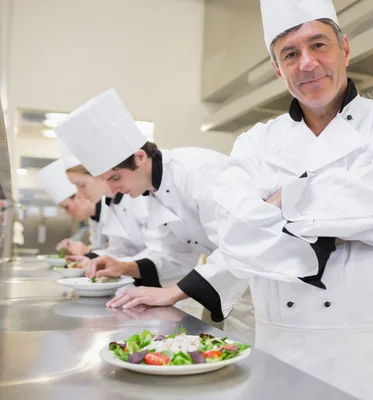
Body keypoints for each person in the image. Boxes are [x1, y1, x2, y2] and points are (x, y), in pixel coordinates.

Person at [106, 0, 373, 398]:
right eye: (291, 54)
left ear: (345, 48)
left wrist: (282, 202)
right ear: (277, 69)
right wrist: (349, 219)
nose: (308, 63)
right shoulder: (256, 142)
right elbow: (238, 234)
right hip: (284, 351)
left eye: (319, 45)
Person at [53, 89, 255, 343]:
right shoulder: (152, 192)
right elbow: (174, 256)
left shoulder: (198, 172)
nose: (114, 190)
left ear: (139, 158)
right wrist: (123, 267)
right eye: (107, 181)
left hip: (267, 282)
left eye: (115, 178)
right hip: (237, 284)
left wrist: (172, 293)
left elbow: (239, 245)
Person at [36, 160, 101, 255]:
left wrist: (87, 251)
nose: (67, 213)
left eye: (66, 207)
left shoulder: (109, 210)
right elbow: (102, 249)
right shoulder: (94, 219)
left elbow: (122, 252)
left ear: (79, 197)